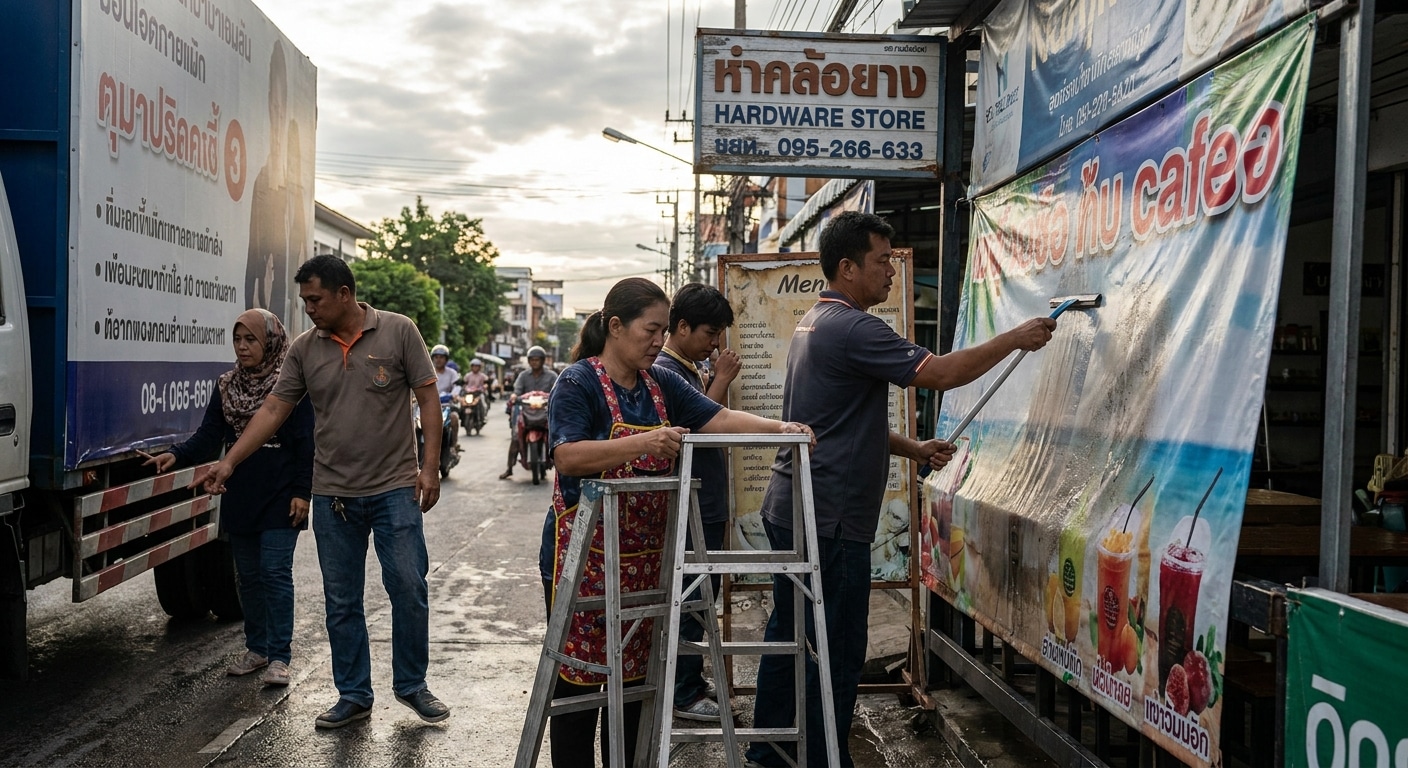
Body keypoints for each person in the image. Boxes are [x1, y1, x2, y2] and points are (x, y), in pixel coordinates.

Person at [744, 212, 1056, 767]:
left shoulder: (815, 322)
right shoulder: (854, 327)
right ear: (847, 267)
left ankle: (772, 753)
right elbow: (940, 373)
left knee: (793, 634)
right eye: (881, 260)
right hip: (830, 515)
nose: (890, 271)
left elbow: (836, 421)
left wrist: (913, 450)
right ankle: (821, 758)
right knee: (835, 646)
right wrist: (1015, 338)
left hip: (795, 505)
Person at [537, 277, 813, 768]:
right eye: (651, 330)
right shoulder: (578, 381)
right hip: (586, 563)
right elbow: (568, 457)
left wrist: (781, 429)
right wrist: (641, 443)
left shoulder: (660, 384)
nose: (658, 341)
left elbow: (718, 418)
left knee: (634, 688)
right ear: (615, 326)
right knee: (580, 684)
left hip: (644, 564)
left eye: (664, 331)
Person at [193, 254, 451, 730]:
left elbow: (428, 400)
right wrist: (228, 461)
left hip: (395, 487)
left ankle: (412, 685)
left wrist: (429, 468)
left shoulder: (398, 331)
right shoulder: (305, 350)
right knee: (341, 600)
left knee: (409, 587)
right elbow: (273, 409)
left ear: (344, 294)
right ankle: (353, 695)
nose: (308, 308)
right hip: (332, 494)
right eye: (304, 300)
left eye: (315, 299)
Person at [141, 308, 313, 687]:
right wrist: (178, 454)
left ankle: (280, 657)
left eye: (250, 339)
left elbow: (306, 445)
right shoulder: (227, 386)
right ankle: (257, 648)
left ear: (269, 341)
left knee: (274, 573)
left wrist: (303, 492)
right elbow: (208, 436)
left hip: (282, 492)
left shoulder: (292, 386)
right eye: (237, 339)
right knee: (249, 577)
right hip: (241, 491)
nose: (242, 347)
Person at [652, 283, 740, 722]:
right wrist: (720, 380)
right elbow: (703, 425)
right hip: (691, 502)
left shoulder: (685, 366)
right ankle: (683, 692)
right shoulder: (666, 369)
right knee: (690, 596)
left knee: (700, 596)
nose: (714, 343)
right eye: (709, 333)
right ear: (681, 327)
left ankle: (689, 679)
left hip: (706, 500)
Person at [500, 345, 559, 480]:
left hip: (545, 413)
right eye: (532, 360)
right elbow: (517, 391)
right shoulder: (523, 375)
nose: (534, 362)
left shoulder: (551, 376)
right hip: (527, 412)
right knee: (515, 437)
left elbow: (558, 391)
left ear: (543, 361)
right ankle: (509, 468)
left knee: (559, 437)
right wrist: (514, 396)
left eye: (537, 360)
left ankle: (562, 469)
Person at [430, 344, 461, 454]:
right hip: (428, 406)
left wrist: (454, 395)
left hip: (446, 405)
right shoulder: (428, 371)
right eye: (436, 357)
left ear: (446, 359)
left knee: (454, 417)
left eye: (441, 357)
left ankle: (453, 444)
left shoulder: (452, 373)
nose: (438, 360)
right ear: (432, 358)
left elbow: (457, 386)